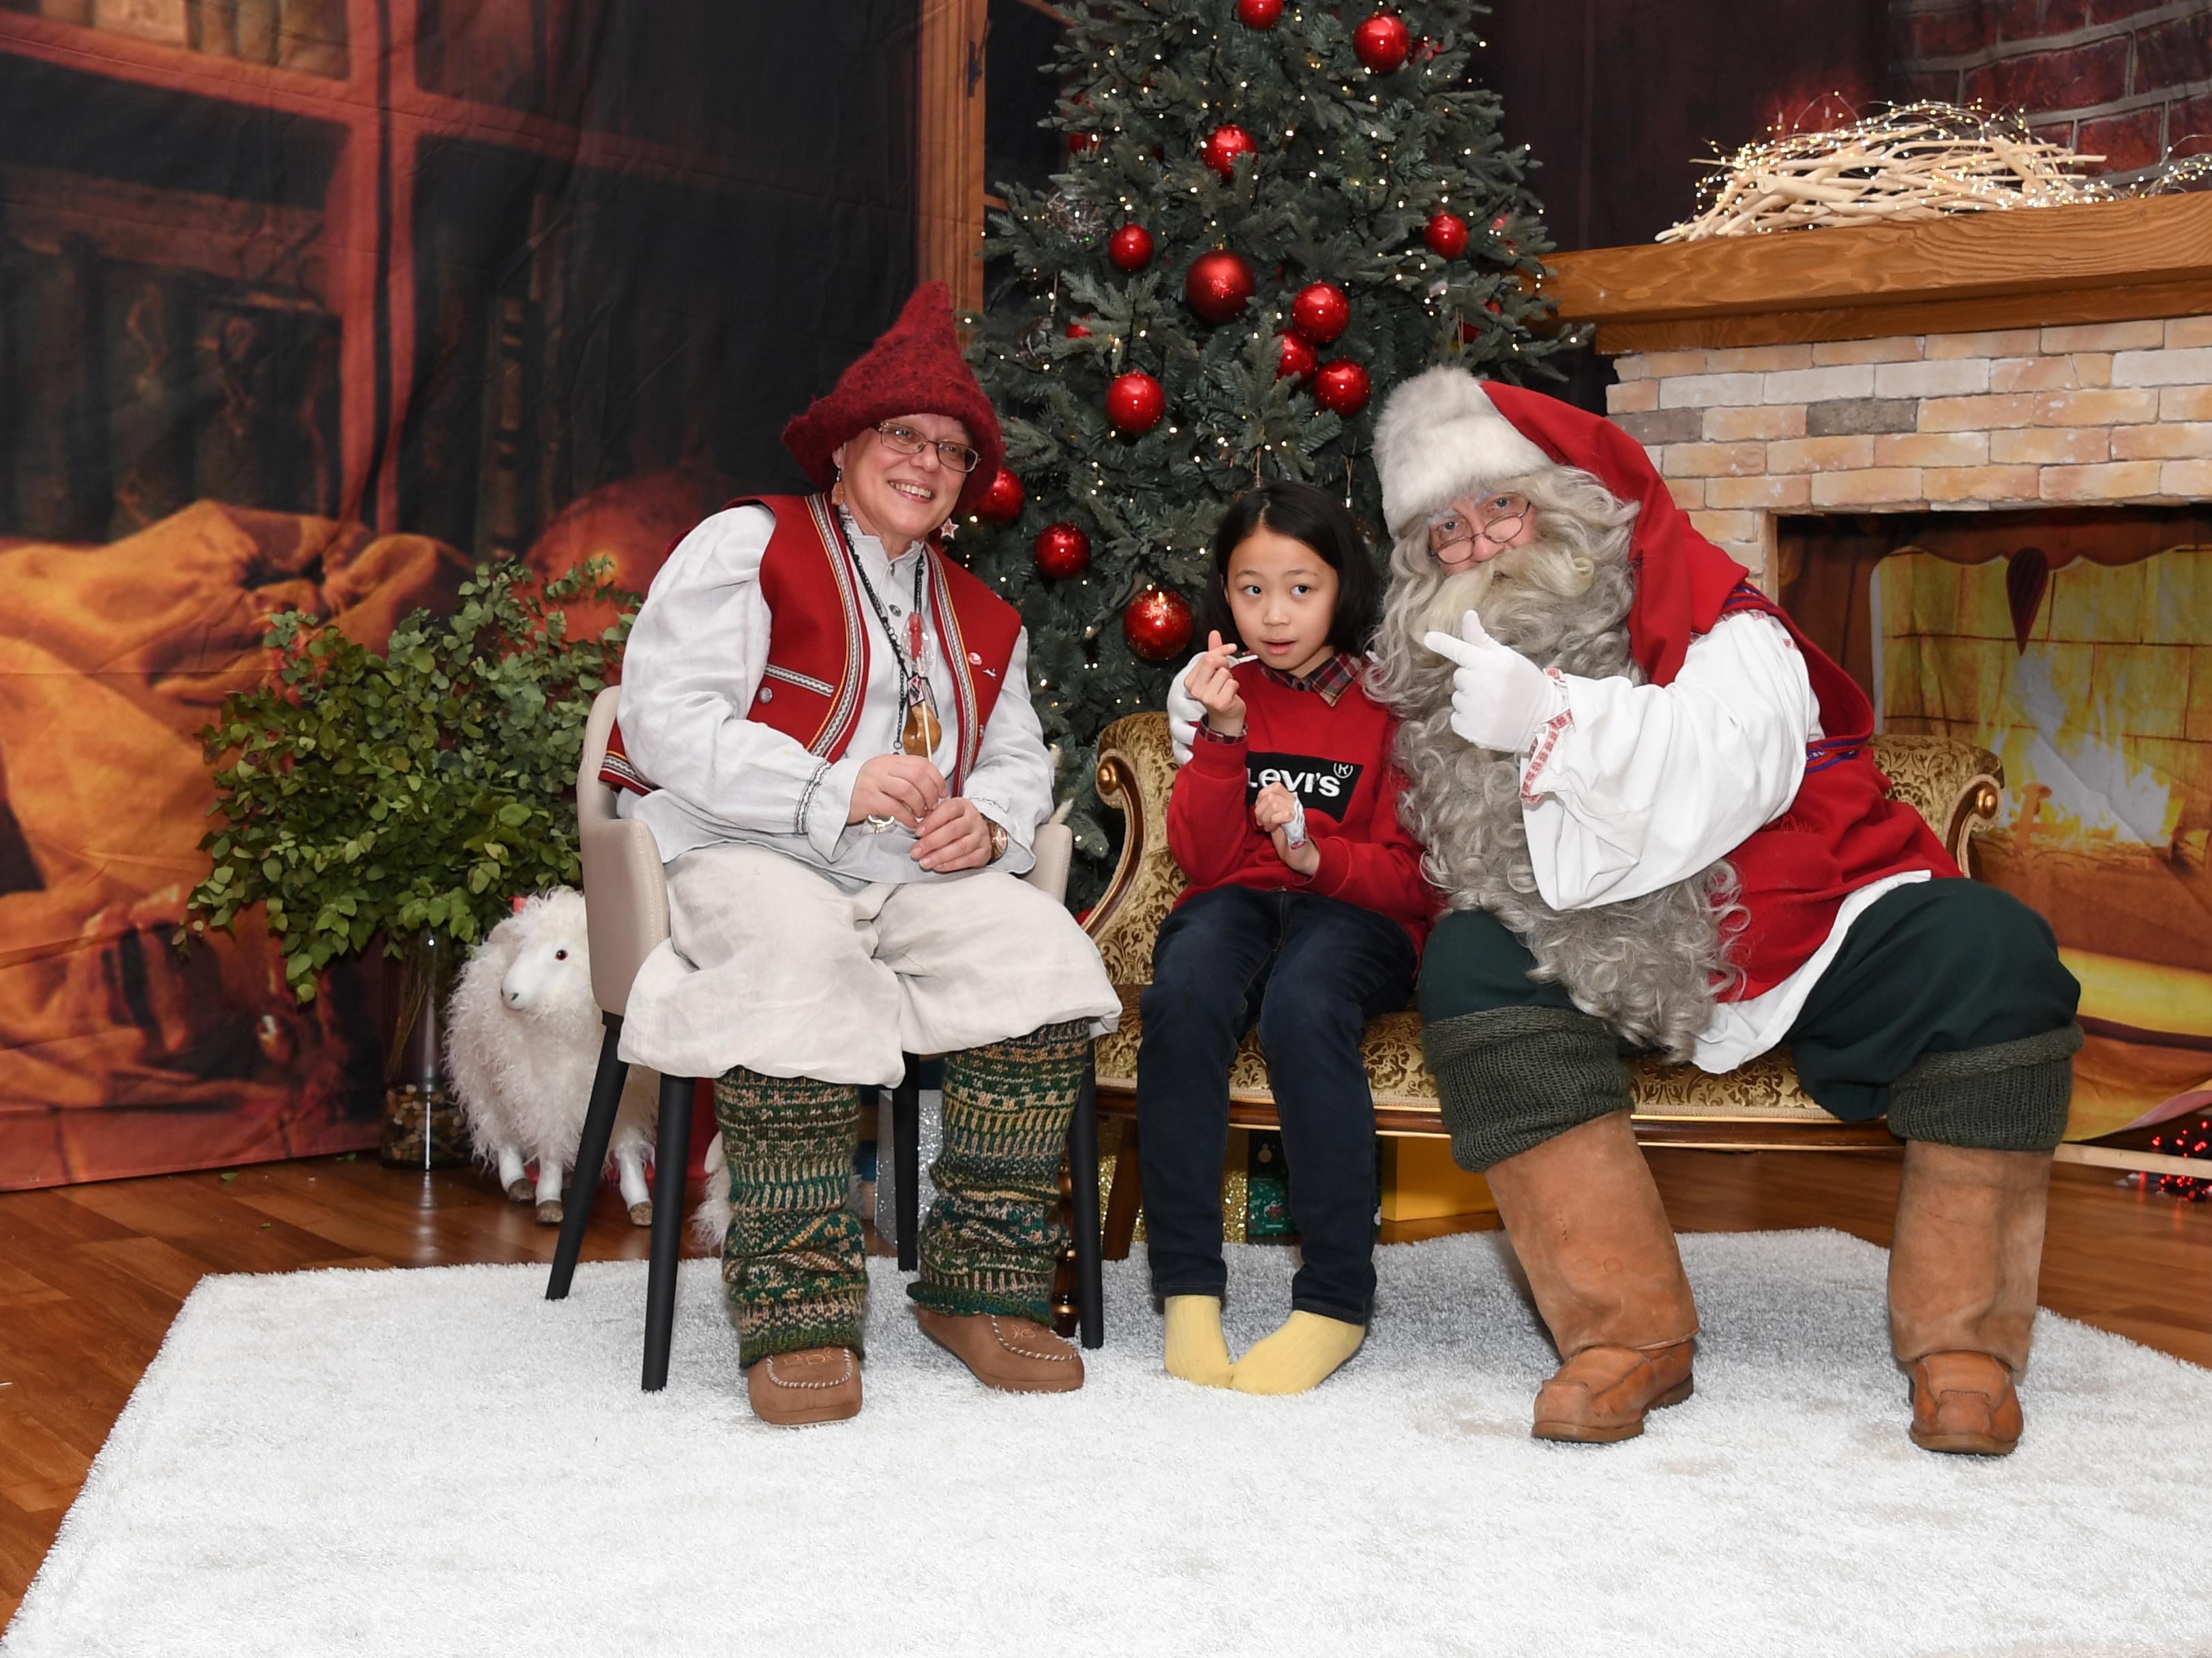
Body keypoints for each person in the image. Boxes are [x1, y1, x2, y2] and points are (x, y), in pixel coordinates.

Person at [1174, 367, 2081, 1455]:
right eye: (1447, 532)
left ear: (1566, 504)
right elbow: (1318, 743)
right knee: (1470, 960)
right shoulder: (1429, 668)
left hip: (1790, 919)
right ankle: (1624, 1334)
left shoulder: (1717, 615)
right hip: (1587, 951)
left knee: (1997, 952)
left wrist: (1553, 715)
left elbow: (1726, 767)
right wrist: (1208, 732)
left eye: (1501, 507)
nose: (1481, 548)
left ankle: (1963, 1347)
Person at [601, 282, 1119, 1425]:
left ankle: (980, 1288)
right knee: (796, 955)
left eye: (949, 449)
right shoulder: (749, 543)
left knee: (1039, 955)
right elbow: (670, 716)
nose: (928, 464)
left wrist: (984, 816)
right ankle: (795, 1309)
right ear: (845, 444)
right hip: (741, 853)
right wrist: (831, 786)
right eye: (904, 437)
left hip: (908, 877)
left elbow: (1023, 761)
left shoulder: (986, 617)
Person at [1138, 482, 1433, 1395]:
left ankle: (1335, 1303)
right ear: (1224, 594)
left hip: (1358, 912)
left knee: (1307, 1005)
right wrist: (1224, 737)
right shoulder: (1227, 694)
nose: (1273, 615)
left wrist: (1316, 856)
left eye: (1300, 588)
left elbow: (1417, 876)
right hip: (1243, 903)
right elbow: (1203, 858)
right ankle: (1188, 1291)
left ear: (1343, 586)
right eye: (1249, 589)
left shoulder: (1395, 702)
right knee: (1184, 989)